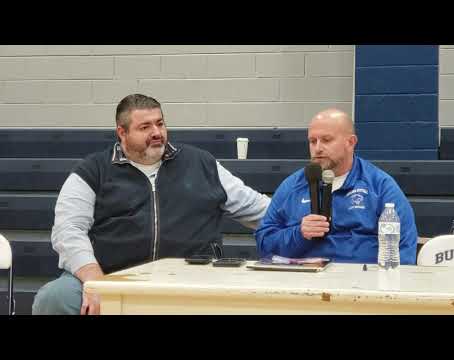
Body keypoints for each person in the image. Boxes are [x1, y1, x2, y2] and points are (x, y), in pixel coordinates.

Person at [32, 94, 271, 315]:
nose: (157, 132)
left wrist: (300, 221)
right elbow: (68, 231)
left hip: (190, 279)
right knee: (55, 298)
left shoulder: (201, 163)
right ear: (121, 132)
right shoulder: (92, 171)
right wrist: (96, 283)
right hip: (111, 277)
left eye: (160, 123)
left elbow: (259, 209)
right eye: (145, 127)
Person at [255, 108, 417, 264]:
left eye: (326, 140)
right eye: (312, 141)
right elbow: (264, 244)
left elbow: (403, 249)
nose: (317, 148)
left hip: (360, 282)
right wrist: (299, 233)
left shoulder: (379, 186)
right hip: (304, 281)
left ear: (350, 142)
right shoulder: (292, 186)